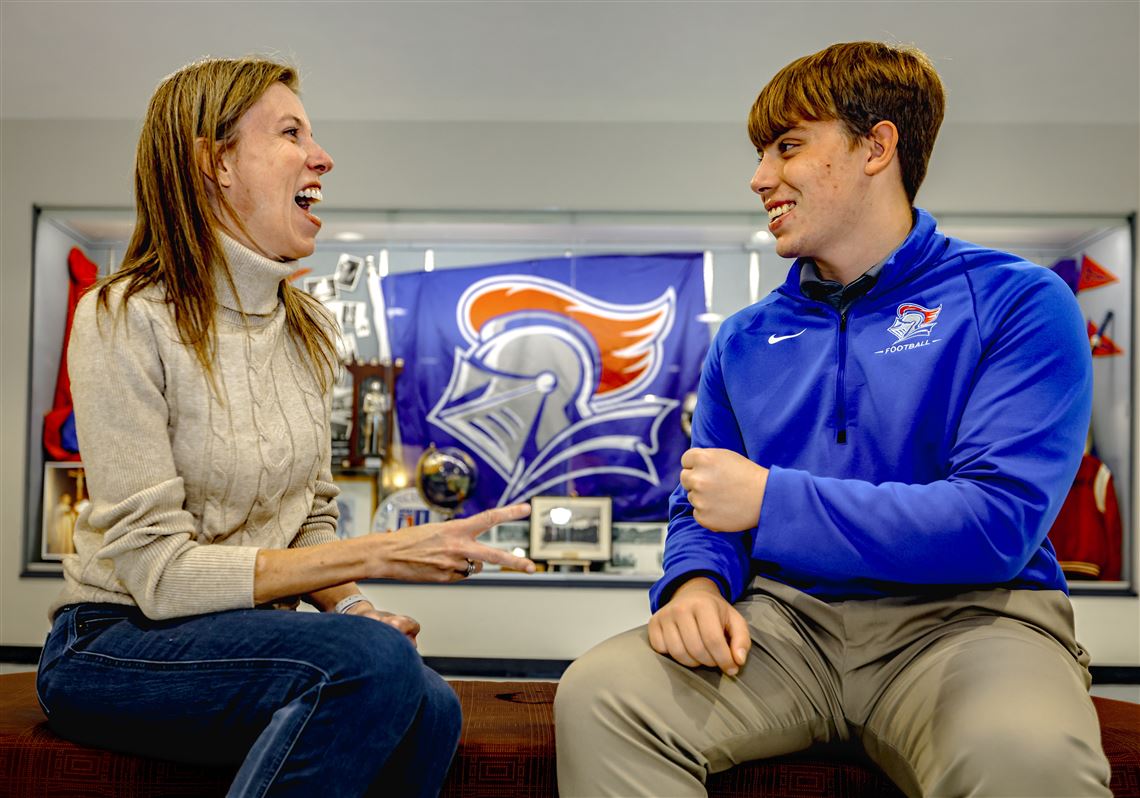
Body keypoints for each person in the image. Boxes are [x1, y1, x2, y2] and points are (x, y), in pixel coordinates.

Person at [555, 41, 1112, 797]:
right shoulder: (745, 338)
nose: (759, 179)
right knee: (604, 695)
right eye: (760, 153)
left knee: (1028, 755)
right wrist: (694, 586)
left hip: (972, 623)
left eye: (787, 147)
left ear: (877, 146)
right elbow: (703, 503)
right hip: (786, 629)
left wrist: (770, 500)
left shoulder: (1018, 301)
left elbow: (996, 523)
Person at [35, 56, 536, 798]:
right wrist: (383, 555)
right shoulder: (123, 316)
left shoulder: (304, 329)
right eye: (292, 132)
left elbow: (307, 521)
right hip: (115, 643)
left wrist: (360, 607)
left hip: (236, 636)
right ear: (215, 162)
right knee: (368, 667)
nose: (322, 156)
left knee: (432, 706)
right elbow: (160, 576)